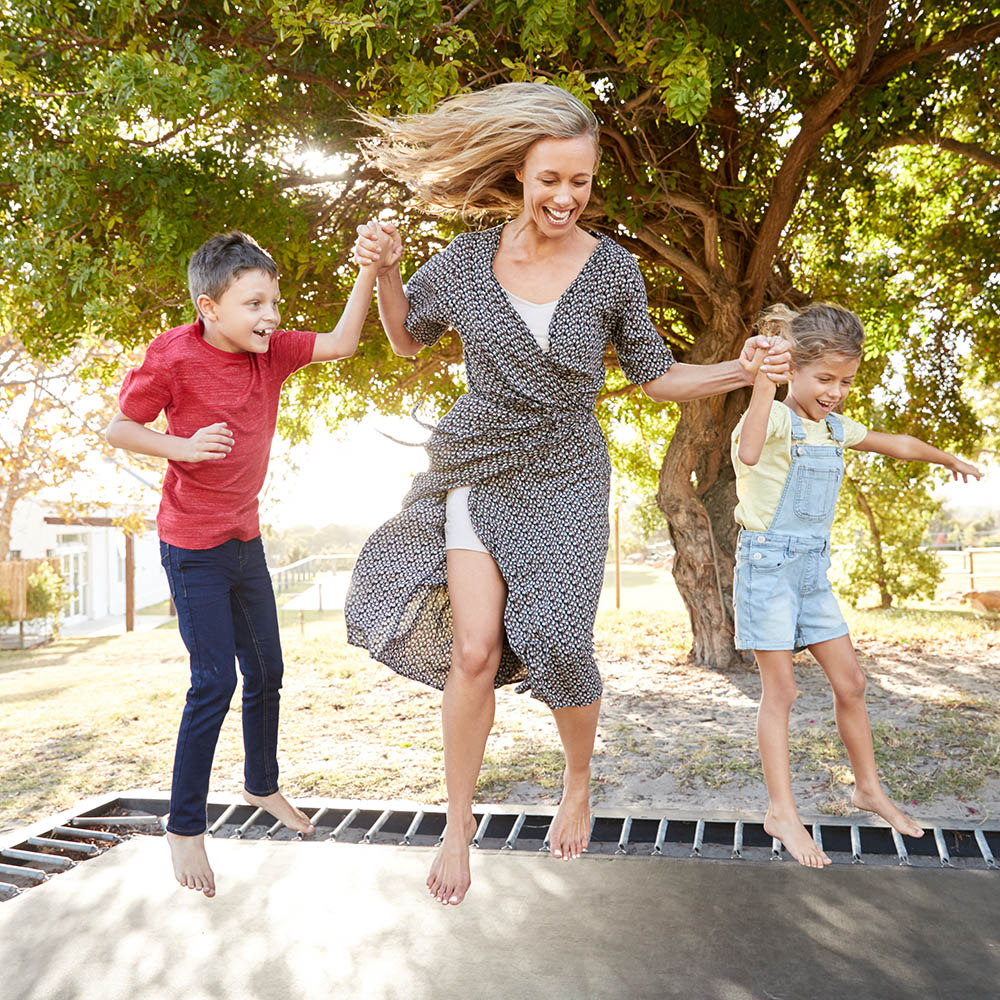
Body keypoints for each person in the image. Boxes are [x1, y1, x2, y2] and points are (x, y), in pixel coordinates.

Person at [346, 81, 791, 906]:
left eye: (580, 182)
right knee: (473, 651)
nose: (565, 196)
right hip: (477, 465)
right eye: (551, 178)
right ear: (521, 172)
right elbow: (409, 341)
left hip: (567, 472)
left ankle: (577, 778)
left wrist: (742, 367)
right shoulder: (468, 261)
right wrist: (389, 273)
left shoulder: (613, 270)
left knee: (555, 637)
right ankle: (456, 821)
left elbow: (657, 377)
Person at [106, 228, 397, 897]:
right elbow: (120, 429)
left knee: (268, 668)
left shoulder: (272, 354)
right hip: (191, 548)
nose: (271, 316)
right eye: (254, 304)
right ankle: (184, 828)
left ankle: (261, 784)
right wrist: (178, 447)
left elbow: (343, 342)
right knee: (214, 681)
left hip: (244, 539)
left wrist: (367, 270)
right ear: (209, 308)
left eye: (275, 302)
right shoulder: (174, 355)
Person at [733, 302, 982, 867]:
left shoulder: (836, 429)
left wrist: (948, 459)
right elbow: (748, 453)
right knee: (783, 692)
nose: (836, 391)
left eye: (845, 381)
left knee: (853, 682)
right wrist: (760, 386)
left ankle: (868, 788)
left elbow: (899, 443)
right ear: (791, 368)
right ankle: (782, 812)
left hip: (810, 574)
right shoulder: (770, 419)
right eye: (825, 379)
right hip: (767, 571)